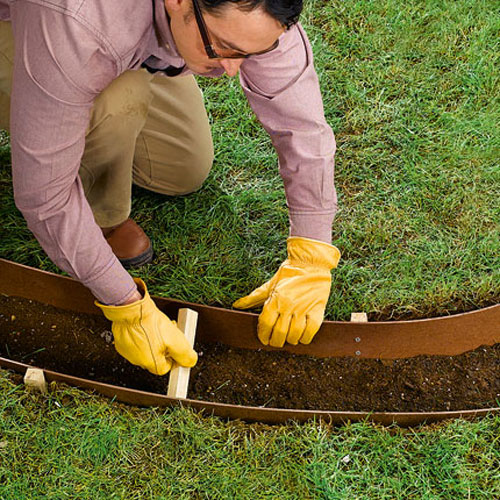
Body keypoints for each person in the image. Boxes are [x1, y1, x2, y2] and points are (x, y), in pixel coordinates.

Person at [0, 0, 341, 376]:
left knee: (183, 167)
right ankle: (103, 222)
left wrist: (311, 252)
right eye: (223, 48)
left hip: (124, 33)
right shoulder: (78, 21)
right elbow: (45, 195)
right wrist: (124, 302)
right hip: (29, 25)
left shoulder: (250, 13)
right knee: (117, 103)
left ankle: (115, 88)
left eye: (250, 53)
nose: (231, 70)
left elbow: (303, 129)